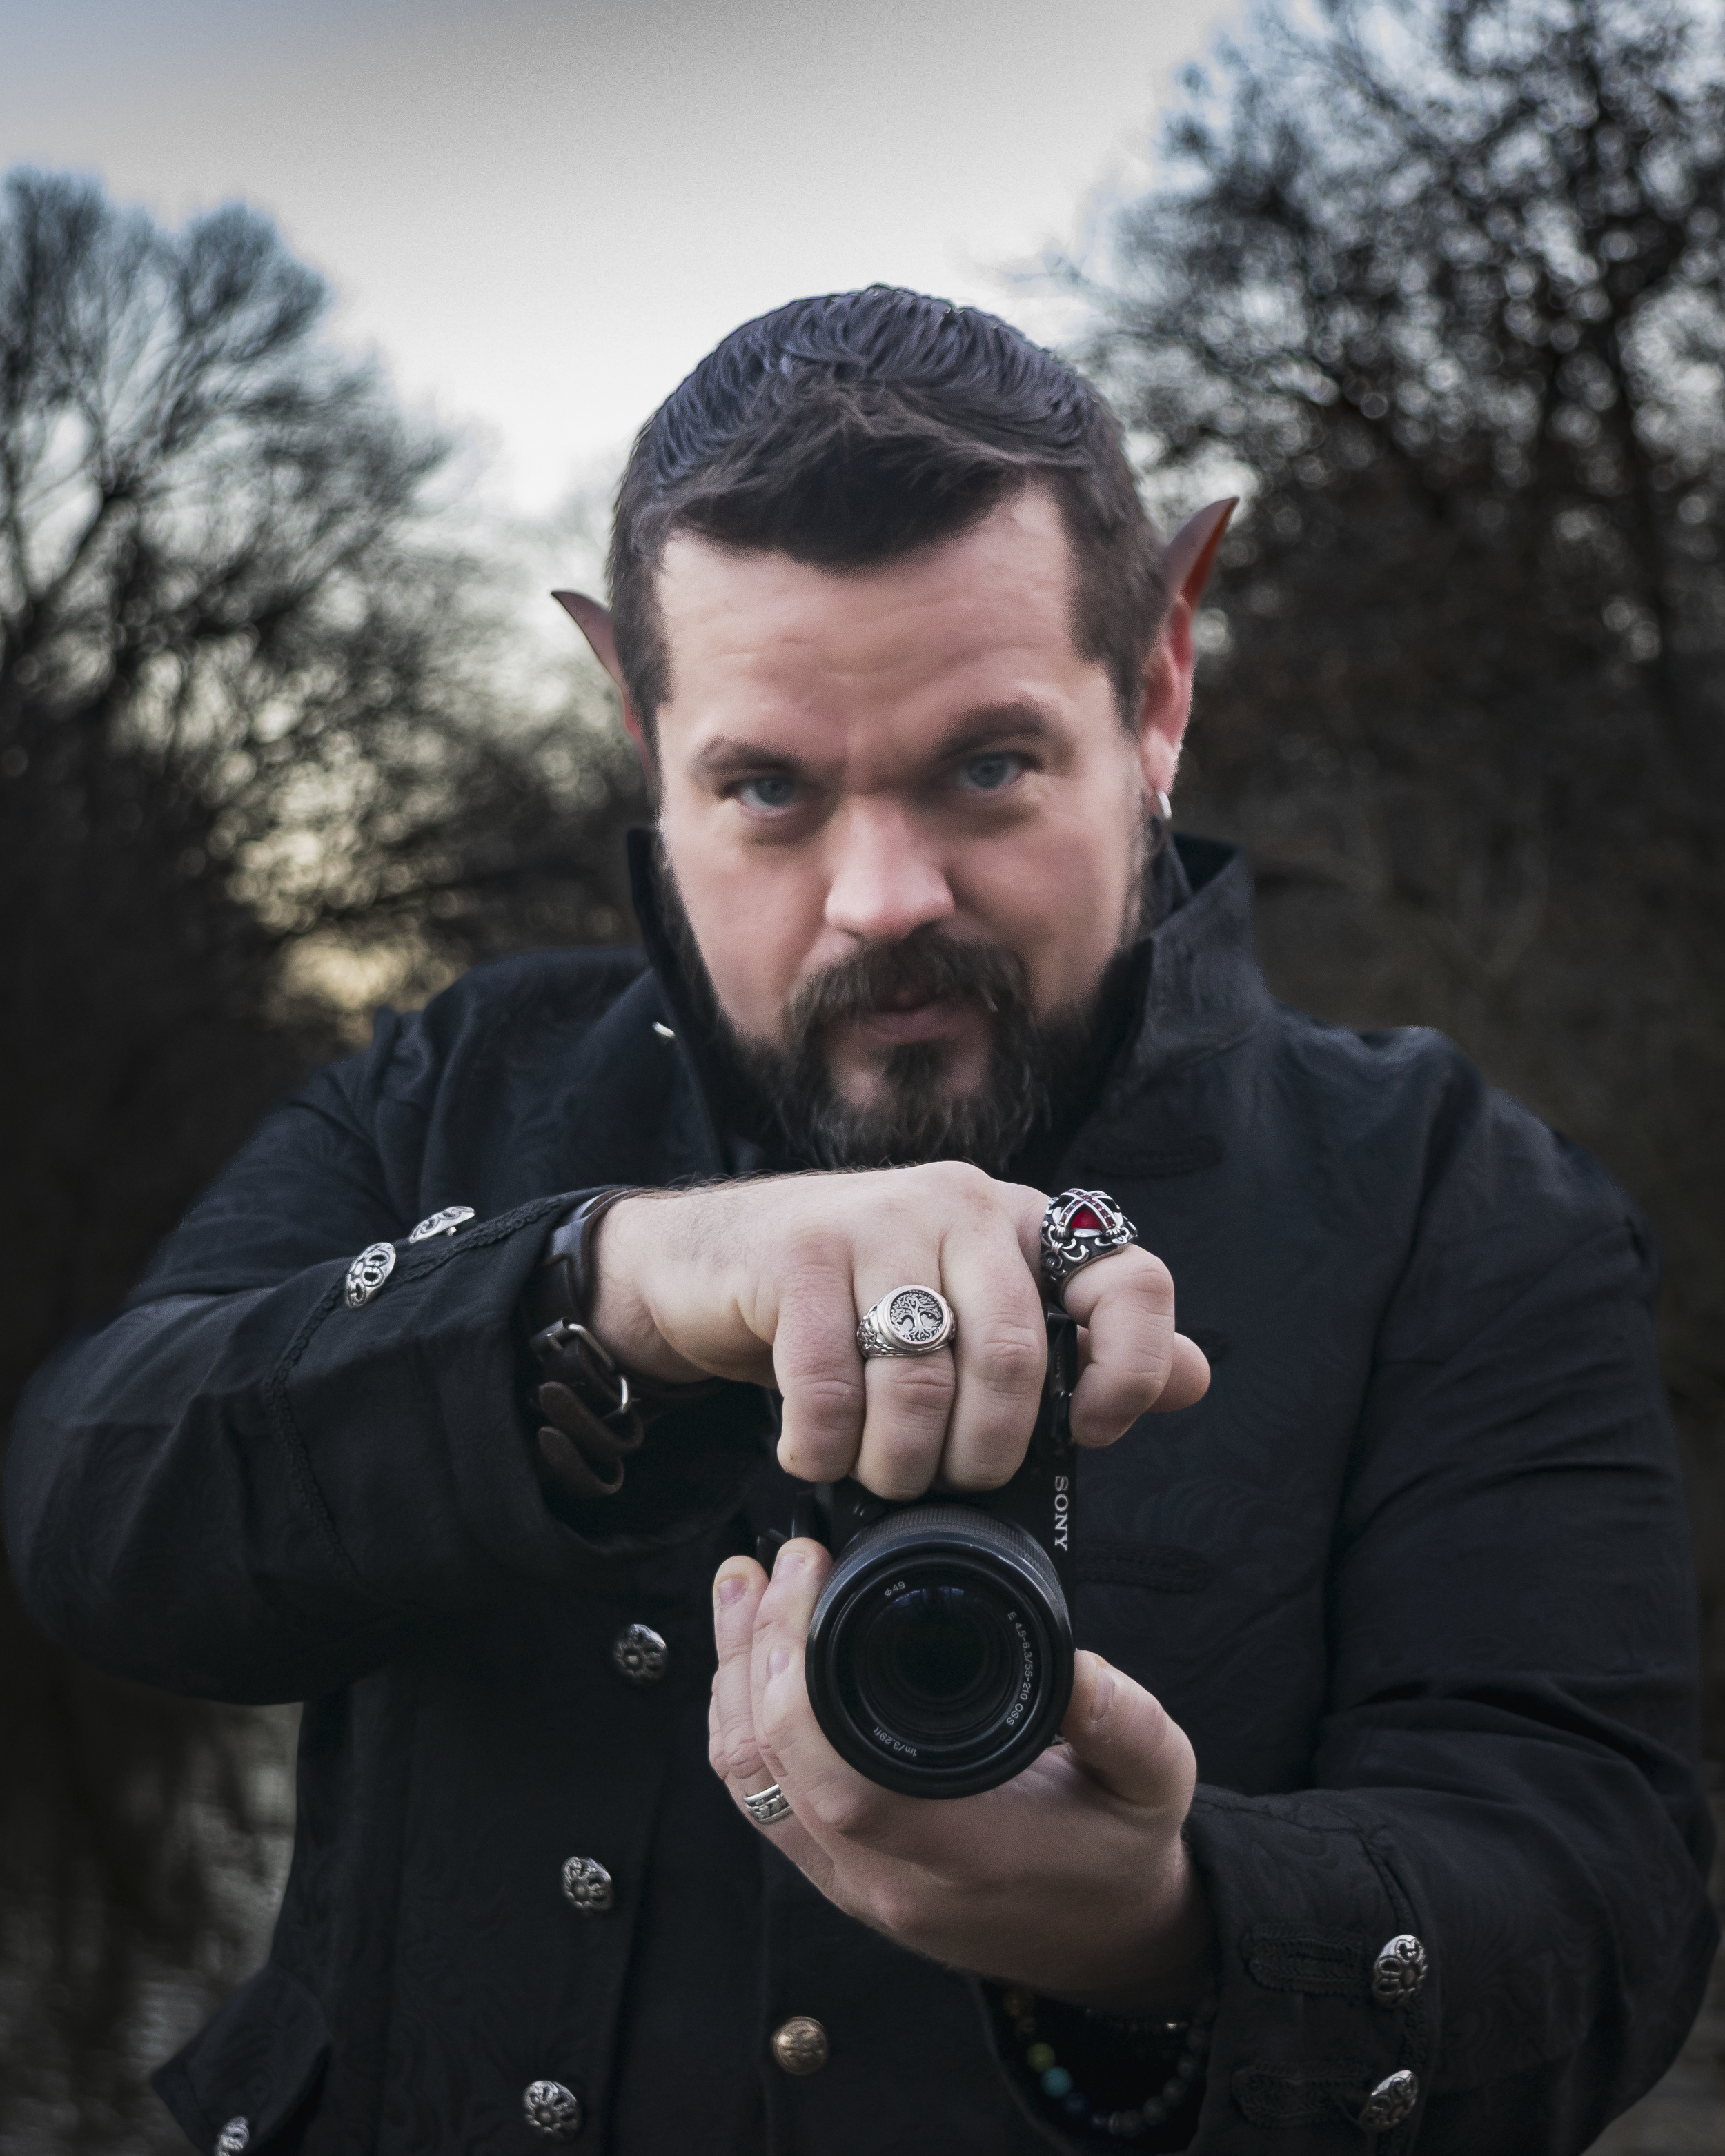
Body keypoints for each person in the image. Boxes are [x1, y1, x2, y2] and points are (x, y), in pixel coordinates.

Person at [6, 288, 1716, 2156]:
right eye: (765, 788)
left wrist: (1159, 1925)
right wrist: (612, 1282)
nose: (881, 898)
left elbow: (1604, 1903)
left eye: (984, 764)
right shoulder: (450, 1091)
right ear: (637, 728)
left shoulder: (1455, 1197)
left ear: (1156, 687)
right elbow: (94, 1508)